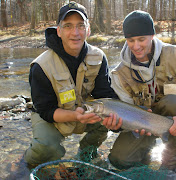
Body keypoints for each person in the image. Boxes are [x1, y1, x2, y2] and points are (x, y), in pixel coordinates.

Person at [104, 10, 176, 178]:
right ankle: (144, 160)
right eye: (131, 40)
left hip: (175, 121)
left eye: (141, 39)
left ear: (152, 35)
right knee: (118, 159)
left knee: (173, 102)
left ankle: (170, 167)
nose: (136, 46)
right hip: (141, 124)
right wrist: (116, 125)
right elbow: (126, 110)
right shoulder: (119, 74)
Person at [24, 1, 119, 166]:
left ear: (88, 30)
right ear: (59, 31)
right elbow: (46, 110)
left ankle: (85, 152)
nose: (75, 33)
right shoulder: (41, 66)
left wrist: (116, 122)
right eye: (68, 26)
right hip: (53, 116)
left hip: (86, 112)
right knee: (45, 148)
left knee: (107, 119)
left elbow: (104, 96)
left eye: (80, 26)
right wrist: (75, 115)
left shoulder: (99, 57)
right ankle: (26, 164)